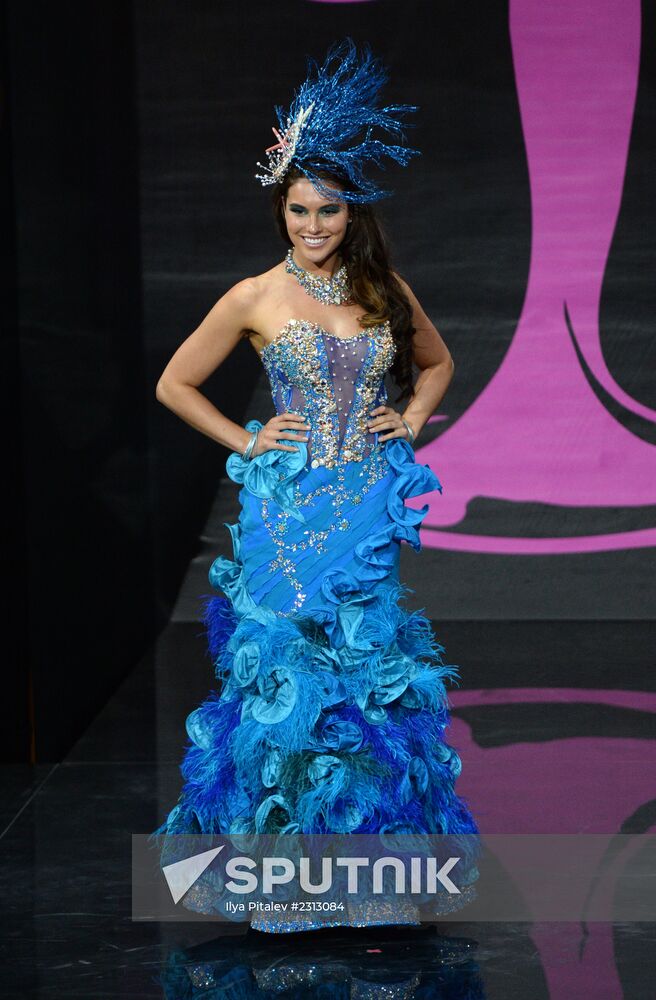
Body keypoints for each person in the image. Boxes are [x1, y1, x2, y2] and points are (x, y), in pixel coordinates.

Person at [151, 38, 480, 933]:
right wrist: (249, 439)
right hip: (289, 512)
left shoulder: (381, 289)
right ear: (281, 210)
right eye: (298, 209)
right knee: (285, 682)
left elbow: (438, 363)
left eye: (328, 210)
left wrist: (410, 420)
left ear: (350, 211)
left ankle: (369, 879)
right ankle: (277, 882)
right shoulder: (254, 296)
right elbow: (175, 383)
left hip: (364, 508)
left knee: (365, 683)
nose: (312, 225)